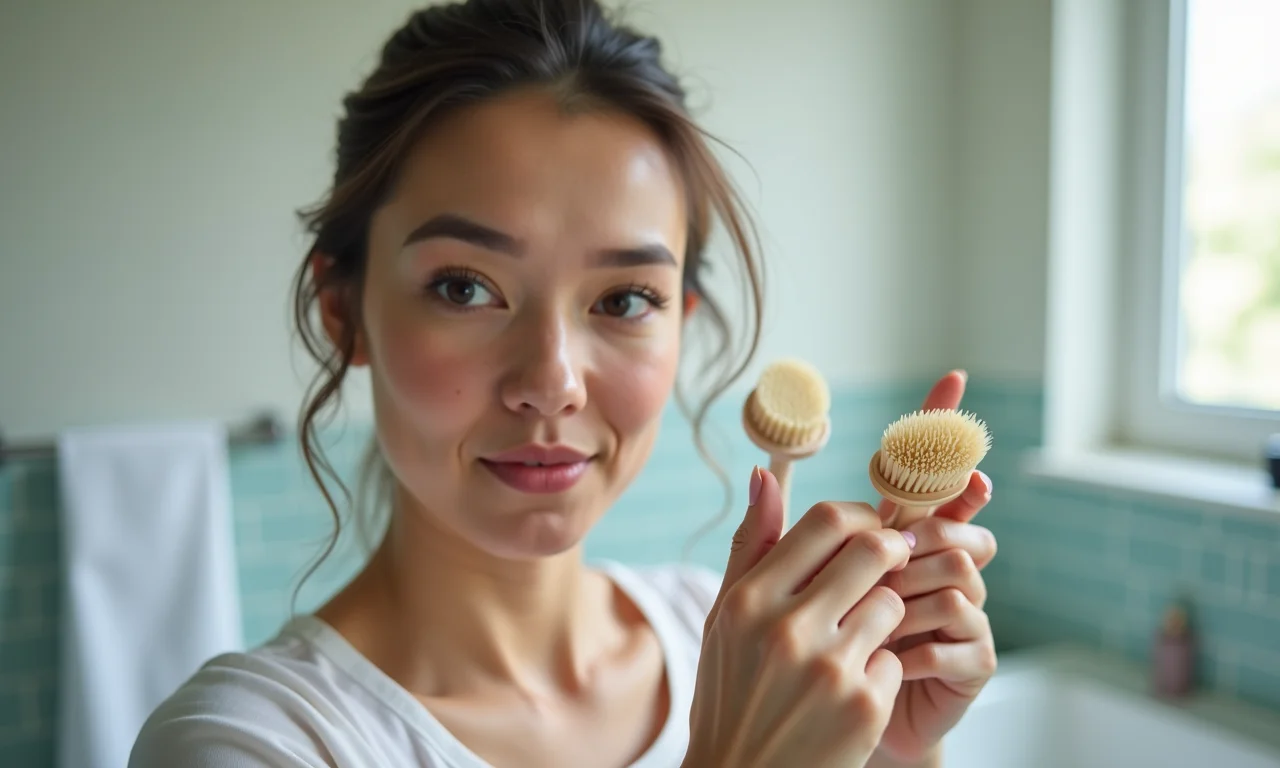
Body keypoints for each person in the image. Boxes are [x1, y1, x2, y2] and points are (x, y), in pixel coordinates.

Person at [130, 1, 999, 766]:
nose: (551, 384)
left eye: (624, 298)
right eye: (464, 287)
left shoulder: (731, 639)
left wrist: (889, 754)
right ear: (342, 309)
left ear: (682, 322)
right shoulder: (251, 742)